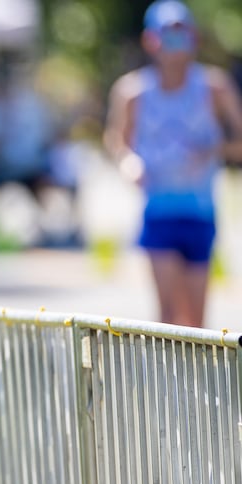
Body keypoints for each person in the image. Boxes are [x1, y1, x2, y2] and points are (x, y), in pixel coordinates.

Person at [104, 0, 242, 327]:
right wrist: (129, 163)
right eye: (167, 35)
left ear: (194, 38)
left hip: (200, 211)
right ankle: (168, 381)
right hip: (159, 211)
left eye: (182, 34)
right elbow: (116, 141)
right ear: (150, 41)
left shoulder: (214, 87)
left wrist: (214, 149)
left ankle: (198, 380)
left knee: (196, 320)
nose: (174, 44)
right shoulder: (132, 92)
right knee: (168, 315)